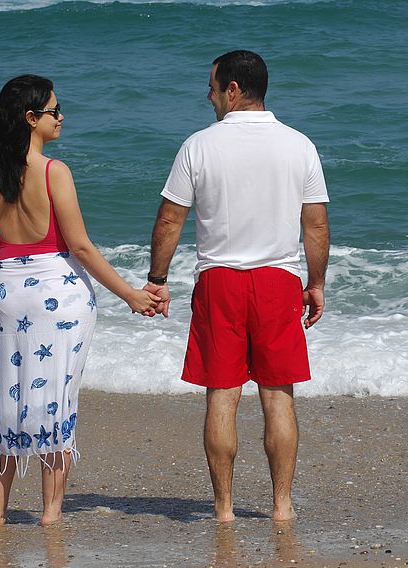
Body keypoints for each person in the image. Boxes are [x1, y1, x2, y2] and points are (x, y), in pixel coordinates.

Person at [145, 51, 330, 522]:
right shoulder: (299, 145)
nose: (207, 96)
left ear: (232, 89)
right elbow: (316, 226)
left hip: (219, 280)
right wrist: (315, 283)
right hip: (278, 279)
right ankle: (282, 506)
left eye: (211, 87)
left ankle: (224, 509)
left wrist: (157, 280)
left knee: (222, 395)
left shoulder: (199, 146)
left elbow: (170, 220)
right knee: (278, 396)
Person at [0, 75, 159, 525]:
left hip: (7, 292)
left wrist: (0, 303)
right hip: (57, 293)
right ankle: (50, 513)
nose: (62, 117)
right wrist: (131, 294)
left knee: (9, 403)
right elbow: (80, 246)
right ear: (30, 118)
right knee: (54, 399)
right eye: (55, 111)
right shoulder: (54, 172)